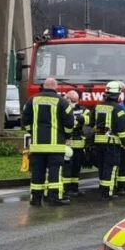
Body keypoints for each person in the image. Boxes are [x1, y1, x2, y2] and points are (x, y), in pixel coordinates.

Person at [21, 77, 73, 207]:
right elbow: (69, 123)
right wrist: (67, 135)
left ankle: (36, 199)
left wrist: (32, 132)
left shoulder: (31, 100)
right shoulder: (62, 102)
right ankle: (54, 198)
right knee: (55, 172)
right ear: (56, 87)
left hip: (37, 145)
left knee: (37, 172)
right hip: (55, 146)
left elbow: (25, 120)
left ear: (44, 86)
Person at [93, 81, 125, 199]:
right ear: (117, 95)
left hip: (99, 142)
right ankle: (108, 192)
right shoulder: (119, 109)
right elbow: (122, 129)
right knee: (111, 167)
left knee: (102, 167)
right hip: (112, 144)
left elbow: (91, 122)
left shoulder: (98, 107)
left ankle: (102, 190)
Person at [62, 91, 89, 198]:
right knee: (67, 168)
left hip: (79, 144)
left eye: (76, 100)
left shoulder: (82, 109)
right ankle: (66, 189)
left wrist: (80, 119)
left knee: (76, 168)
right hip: (67, 144)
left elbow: (89, 118)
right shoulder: (63, 108)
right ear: (67, 99)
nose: (74, 102)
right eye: (72, 100)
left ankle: (74, 188)